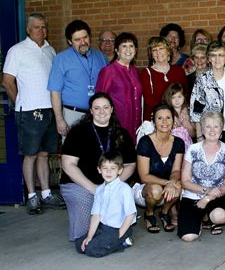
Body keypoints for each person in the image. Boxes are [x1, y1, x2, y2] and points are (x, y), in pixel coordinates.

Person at [2, 13, 65, 214]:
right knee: (30, 155)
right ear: (28, 29)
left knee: (44, 154)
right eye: (37, 27)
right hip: (29, 111)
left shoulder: (50, 50)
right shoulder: (17, 50)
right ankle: (32, 196)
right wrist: (19, 101)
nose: (41, 31)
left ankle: (46, 193)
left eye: (44, 27)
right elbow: (7, 81)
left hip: (49, 110)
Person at [60, 93, 136, 241]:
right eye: (97, 108)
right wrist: (94, 188)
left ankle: (115, 235)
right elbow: (68, 165)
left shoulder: (122, 134)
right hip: (79, 184)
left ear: (112, 109)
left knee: (120, 197)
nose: (102, 111)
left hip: (113, 183)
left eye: (106, 107)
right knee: (84, 226)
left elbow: (130, 165)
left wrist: (113, 185)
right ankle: (85, 237)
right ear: (91, 111)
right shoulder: (77, 132)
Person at [179, 111, 225, 241]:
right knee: (188, 237)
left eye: (216, 126)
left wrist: (208, 198)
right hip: (193, 194)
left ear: (221, 129)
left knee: (219, 216)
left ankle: (210, 217)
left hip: (218, 195)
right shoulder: (193, 149)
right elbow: (185, 181)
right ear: (202, 129)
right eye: (208, 126)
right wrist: (206, 190)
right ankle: (200, 219)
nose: (212, 130)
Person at [48, 19, 108, 136]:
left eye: (85, 37)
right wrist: (59, 119)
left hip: (99, 114)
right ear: (69, 41)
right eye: (77, 40)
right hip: (72, 114)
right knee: (73, 152)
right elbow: (55, 91)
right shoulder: (61, 59)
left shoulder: (101, 57)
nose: (82, 42)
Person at [134, 104, 185, 233]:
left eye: (168, 118)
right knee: (156, 190)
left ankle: (164, 212)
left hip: (167, 189)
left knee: (179, 186)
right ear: (154, 122)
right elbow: (144, 176)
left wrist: (172, 183)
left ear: (173, 121)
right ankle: (149, 214)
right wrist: (168, 183)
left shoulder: (178, 142)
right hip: (145, 189)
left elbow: (176, 170)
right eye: (160, 118)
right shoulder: (145, 142)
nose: (164, 122)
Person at [75, 150, 136, 257]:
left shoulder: (124, 189)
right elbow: (96, 215)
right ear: (99, 169)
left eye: (113, 168)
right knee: (79, 244)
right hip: (103, 227)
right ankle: (107, 242)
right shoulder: (99, 190)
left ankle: (123, 242)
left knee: (92, 250)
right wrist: (89, 236)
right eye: (105, 168)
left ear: (120, 170)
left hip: (119, 229)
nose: (108, 172)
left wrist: (118, 236)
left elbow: (130, 215)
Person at [96, 32, 143, 142]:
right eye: (124, 46)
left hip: (135, 126)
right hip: (116, 126)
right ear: (117, 50)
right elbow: (99, 100)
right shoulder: (108, 71)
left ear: (135, 50)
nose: (128, 50)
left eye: (131, 46)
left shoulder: (135, 71)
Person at [190, 40, 225, 144]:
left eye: (220, 55)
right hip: (211, 132)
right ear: (209, 58)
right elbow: (196, 112)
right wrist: (199, 137)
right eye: (213, 55)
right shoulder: (202, 80)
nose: (217, 59)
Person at [141, 36, 188, 121]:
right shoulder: (146, 73)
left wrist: (183, 110)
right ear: (151, 54)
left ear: (168, 51)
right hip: (156, 118)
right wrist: (170, 115)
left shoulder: (179, 71)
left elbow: (185, 94)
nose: (158, 52)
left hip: (178, 117)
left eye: (161, 48)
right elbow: (149, 101)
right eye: (154, 50)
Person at [163, 82, 195, 147]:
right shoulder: (167, 113)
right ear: (169, 98)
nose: (177, 100)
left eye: (179, 97)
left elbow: (194, 135)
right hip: (171, 146)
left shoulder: (189, 112)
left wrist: (186, 125)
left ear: (184, 97)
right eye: (173, 97)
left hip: (187, 145)